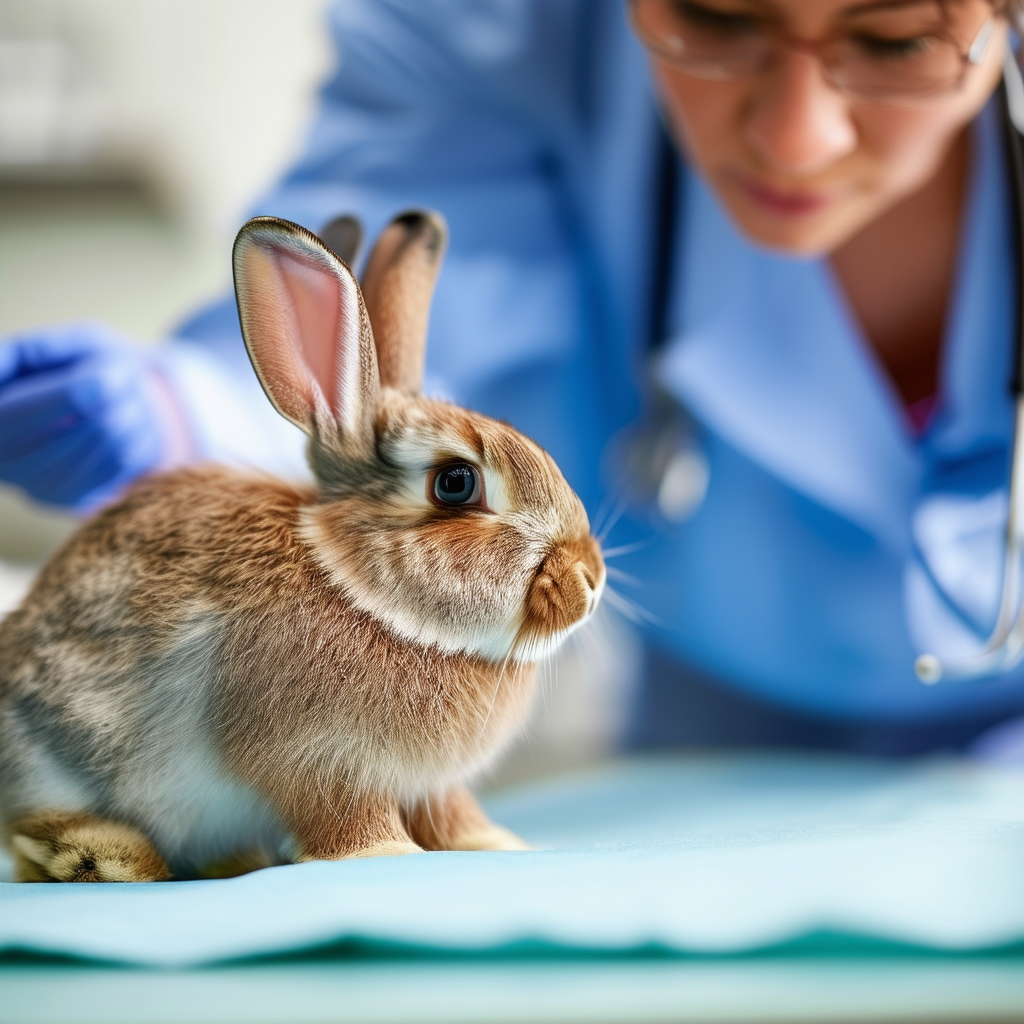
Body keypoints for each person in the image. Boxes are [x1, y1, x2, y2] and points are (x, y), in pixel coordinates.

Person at [2, 0, 1023, 757]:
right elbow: (376, 261)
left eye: (898, 39)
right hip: (720, 744)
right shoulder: (498, 26)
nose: (796, 138)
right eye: (715, 16)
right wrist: (194, 410)